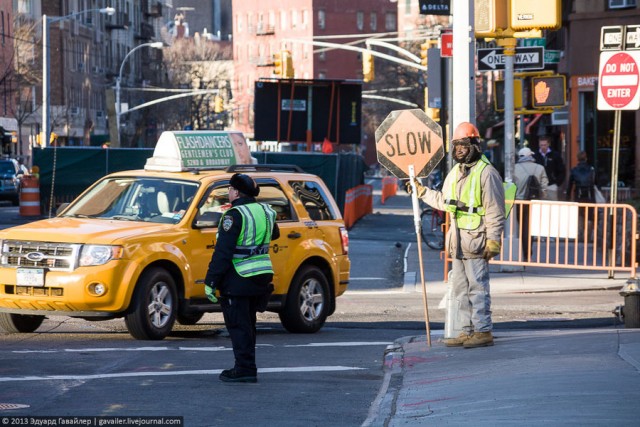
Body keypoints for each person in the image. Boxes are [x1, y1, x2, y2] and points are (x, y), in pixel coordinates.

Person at [409, 122, 505, 348]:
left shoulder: (487, 173)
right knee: (461, 289)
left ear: (474, 144)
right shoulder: (455, 172)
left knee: (477, 288)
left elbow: (495, 210)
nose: (459, 149)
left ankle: (483, 331)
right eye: (456, 145)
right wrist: (422, 192)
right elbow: (444, 201)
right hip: (458, 240)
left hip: (477, 239)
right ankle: (466, 330)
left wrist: (494, 239)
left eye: (463, 144)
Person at [204, 173, 280, 383]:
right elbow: (274, 235)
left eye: (229, 189)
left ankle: (244, 368)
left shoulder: (233, 215)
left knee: (238, 325)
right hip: (261, 275)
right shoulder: (266, 211)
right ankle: (248, 366)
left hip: (239, 275)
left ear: (236, 192)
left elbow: (223, 252)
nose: (228, 192)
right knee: (248, 324)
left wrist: (211, 282)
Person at [513, 147, 548, 261]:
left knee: (520, 227)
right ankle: (528, 253)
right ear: (530, 156)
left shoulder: (514, 169)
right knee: (530, 228)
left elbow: (510, 185)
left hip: (519, 202)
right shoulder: (540, 168)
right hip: (534, 203)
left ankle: (521, 252)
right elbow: (544, 186)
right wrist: (542, 197)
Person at [566, 151, 596, 239]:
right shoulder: (591, 169)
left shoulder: (574, 170)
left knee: (579, 214)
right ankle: (588, 235)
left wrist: (567, 197)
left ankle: (580, 233)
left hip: (578, 195)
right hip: (590, 195)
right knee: (590, 215)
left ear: (578, 159)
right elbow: (596, 182)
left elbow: (570, 185)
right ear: (586, 158)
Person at [533, 135, 565, 200]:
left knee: (552, 206)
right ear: (539, 144)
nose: (543, 147)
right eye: (541, 145)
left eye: (544, 145)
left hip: (551, 185)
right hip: (539, 186)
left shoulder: (555, 155)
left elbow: (562, 170)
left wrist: (557, 183)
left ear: (548, 144)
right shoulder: (535, 156)